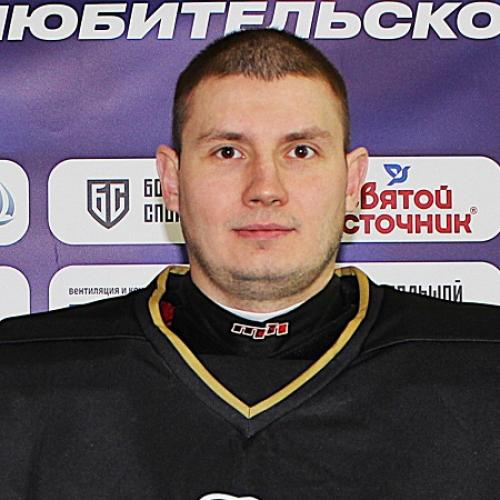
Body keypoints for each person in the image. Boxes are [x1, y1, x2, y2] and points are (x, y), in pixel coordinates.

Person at [0, 29, 499, 500]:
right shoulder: (22, 377)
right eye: (228, 152)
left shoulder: (482, 368)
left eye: (300, 151)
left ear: (353, 183)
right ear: (171, 181)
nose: (265, 188)